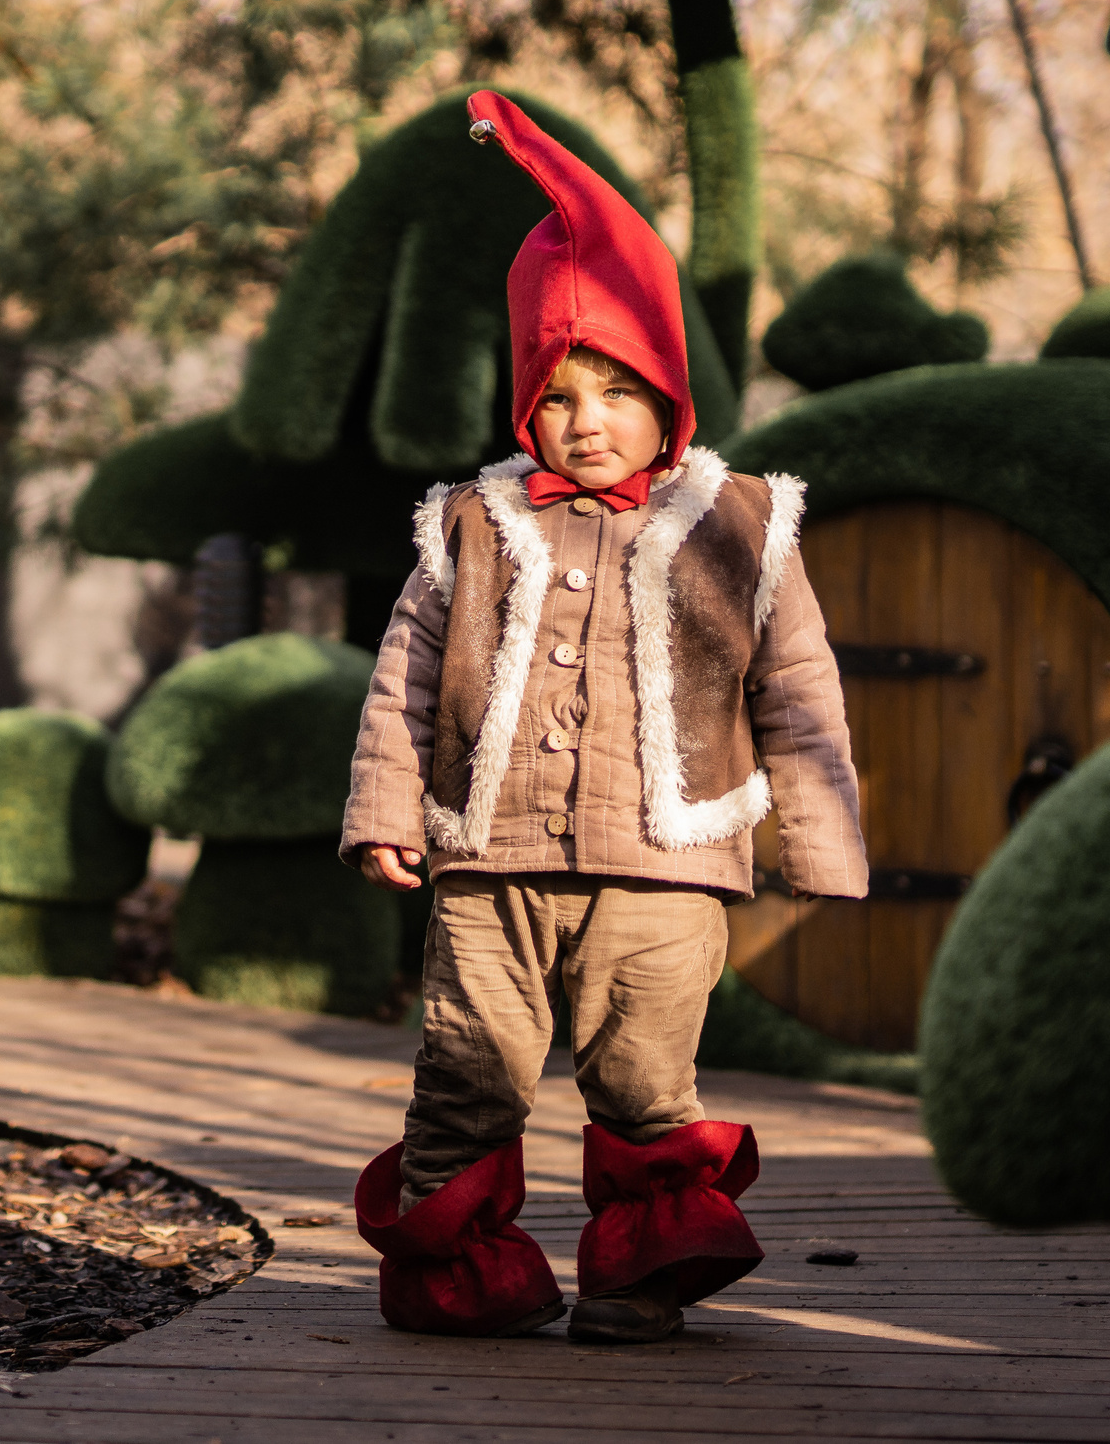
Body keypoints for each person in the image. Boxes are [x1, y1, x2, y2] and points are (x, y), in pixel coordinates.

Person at [339, 90, 867, 1344]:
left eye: (619, 391)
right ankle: (458, 1275)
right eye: (561, 395)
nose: (587, 422)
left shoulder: (738, 523)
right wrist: (383, 809)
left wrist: (822, 839)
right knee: (465, 1073)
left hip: (664, 869)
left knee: (640, 1077)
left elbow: (796, 685)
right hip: (490, 863)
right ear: (526, 402)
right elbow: (405, 673)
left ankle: (637, 1277)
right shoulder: (472, 522)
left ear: (669, 394)